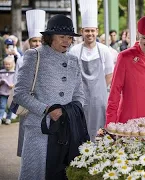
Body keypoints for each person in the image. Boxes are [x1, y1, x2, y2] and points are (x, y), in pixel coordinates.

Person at [13, 14, 84, 180]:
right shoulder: (34, 55)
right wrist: (47, 110)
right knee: (37, 174)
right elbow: (20, 93)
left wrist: (71, 112)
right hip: (39, 129)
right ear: (49, 37)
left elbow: (79, 94)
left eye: (69, 37)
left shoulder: (74, 60)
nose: (66, 41)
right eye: (61, 37)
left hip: (66, 128)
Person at [106, 11, 145, 124]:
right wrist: (111, 123)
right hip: (132, 119)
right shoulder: (125, 57)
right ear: (138, 35)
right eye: (144, 38)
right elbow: (114, 92)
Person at [69, 0, 114, 141]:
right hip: (80, 99)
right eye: (87, 31)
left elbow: (109, 74)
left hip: (100, 99)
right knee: (81, 128)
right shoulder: (75, 51)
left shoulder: (105, 51)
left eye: (92, 30)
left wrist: (97, 91)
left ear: (97, 31)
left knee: (100, 130)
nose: (90, 34)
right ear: (82, 32)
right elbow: (71, 75)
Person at [15, 9, 46, 158]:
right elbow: (17, 82)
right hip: (27, 101)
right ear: (29, 42)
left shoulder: (48, 58)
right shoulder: (22, 59)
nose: (37, 44)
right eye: (34, 40)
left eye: (40, 41)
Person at [0, 56, 15, 125]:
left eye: (9, 64)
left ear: (12, 64)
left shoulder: (14, 73)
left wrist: (13, 85)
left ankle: (8, 118)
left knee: (10, 107)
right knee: (2, 106)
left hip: (11, 93)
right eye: (6, 64)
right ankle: (0, 117)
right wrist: (1, 82)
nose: (7, 66)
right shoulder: (1, 72)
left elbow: (16, 83)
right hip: (3, 93)